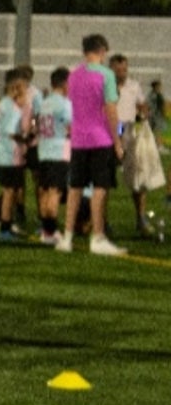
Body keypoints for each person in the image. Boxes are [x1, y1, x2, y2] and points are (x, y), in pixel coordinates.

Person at [59, 34, 126, 255]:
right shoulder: (106, 75)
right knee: (100, 188)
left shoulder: (73, 75)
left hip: (78, 139)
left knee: (75, 189)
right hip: (100, 139)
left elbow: (71, 107)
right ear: (102, 51)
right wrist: (118, 140)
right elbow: (111, 110)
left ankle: (67, 237)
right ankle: (97, 237)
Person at [110, 53, 153, 236]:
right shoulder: (106, 87)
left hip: (130, 129)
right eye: (118, 69)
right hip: (114, 129)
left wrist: (142, 115)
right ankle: (101, 221)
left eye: (124, 69)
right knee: (105, 179)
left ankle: (141, 218)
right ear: (111, 69)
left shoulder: (133, 86)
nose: (122, 73)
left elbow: (142, 105)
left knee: (138, 179)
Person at [0, 68, 30, 244]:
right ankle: (5, 228)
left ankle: (7, 223)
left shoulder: (3, 103)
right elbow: (11, 132)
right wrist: (26, 139)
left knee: (9, 190)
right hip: (9, 154)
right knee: (10, 191)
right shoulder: (13, 108)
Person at [36, 66, 72, 245]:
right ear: (65, 83)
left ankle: (46, 231)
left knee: (44, 191)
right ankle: (52, 232)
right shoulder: (64, 104)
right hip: (59, 152)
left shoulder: (45, 102)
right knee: (54, 193)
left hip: (43, 151)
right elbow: (72, 127)